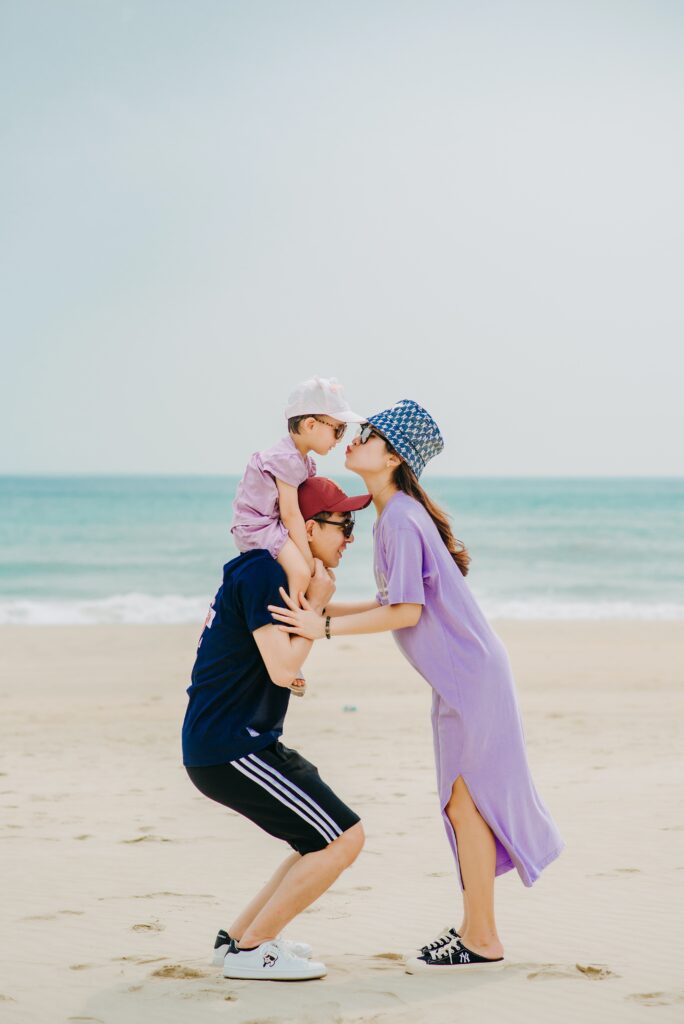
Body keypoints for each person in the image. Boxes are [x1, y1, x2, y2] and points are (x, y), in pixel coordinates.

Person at [268, 399, 565, 974]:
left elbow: (406, 612)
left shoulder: (401, 519)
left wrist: (321, 628)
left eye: (369, 434)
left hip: (471, 679)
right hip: (461, 680)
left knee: (466, 803)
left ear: (393, 458)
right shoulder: (393, 517)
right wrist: (319, 610)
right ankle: (476, 930)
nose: (355, 438)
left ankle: (482, 936)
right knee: (462, 805)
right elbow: (390, 603)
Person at [182, 475, 372, 981]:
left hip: (236, 743)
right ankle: (253, 950)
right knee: (343, 839)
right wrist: (317, 607)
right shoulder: (263, 573)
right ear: (308, 528)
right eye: (344, 525)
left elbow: (312, 616)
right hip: (231, 748)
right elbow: (285, 668)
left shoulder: (268, 571)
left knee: (319, 840)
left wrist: (393, 606)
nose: (351, 537)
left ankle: (238, 940)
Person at [230, 375, 365, 607]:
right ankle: (297, 615)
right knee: (301, 573)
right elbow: (291, 513)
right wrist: (308, 562)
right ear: (310, 425)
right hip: (258, 527)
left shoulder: (299, 460)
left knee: (301, 570)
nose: (339, 440)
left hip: (268, 525)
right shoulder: (288, 459)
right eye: (338, 430)